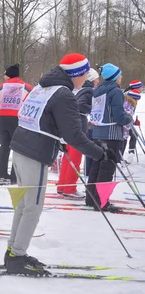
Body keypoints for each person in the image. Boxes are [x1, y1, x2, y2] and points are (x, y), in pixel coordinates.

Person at [7, 53, 106, 276]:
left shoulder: (44, 86)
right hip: (34, 152)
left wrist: (58, 139)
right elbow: (74, 135)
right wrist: (99, 153)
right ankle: (17, 256)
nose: (86, 80)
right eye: (85, 75)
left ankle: (14, 251)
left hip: (22, 147)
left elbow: (47, 121)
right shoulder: (63, 94)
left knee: (24, 205)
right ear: (77, 74)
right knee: (32, 207)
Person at [85, 63, 133, 212]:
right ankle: (101, 201)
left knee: (96, 166)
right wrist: (128, 118)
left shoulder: (98, 89)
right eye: (120, 75)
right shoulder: (115, 91)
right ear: (114, 77)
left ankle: (91, 198)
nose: (121, 77)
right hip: (110, 134)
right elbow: (118, 116)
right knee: (107, 168)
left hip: (98, 132)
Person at [57, 68, 100, 198]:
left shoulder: (80, 89)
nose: (98, 81)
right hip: (78, 127)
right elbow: (80, 106)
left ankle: (62, 185)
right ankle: (69, 188)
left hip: (71, 126)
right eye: (97, 79)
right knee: (75, 157)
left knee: (68, 157)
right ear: (92, 80)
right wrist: (93, 109)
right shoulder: (89, 91)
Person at [0, 64, 33, 182]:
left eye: (5, 75)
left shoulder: (0, 87)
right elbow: (33, 102)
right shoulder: (27, 87)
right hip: (18, 119)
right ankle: (15, 175)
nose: (3, 77)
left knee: (4, 145)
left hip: (2, 119)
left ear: (8, 75)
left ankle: (0, 172)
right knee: (18, 147)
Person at [122, 79, 143, 163]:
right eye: (141, 87)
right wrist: (130, 121)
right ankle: (119, 159)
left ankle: (131, 153)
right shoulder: (129, 96)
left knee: (134, 135)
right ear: (137, 87)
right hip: (123, 121)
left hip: (128, 120)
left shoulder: (134, 95)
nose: (142, 88)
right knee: (124, 138)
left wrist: (134, 122)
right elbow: (126, 110)